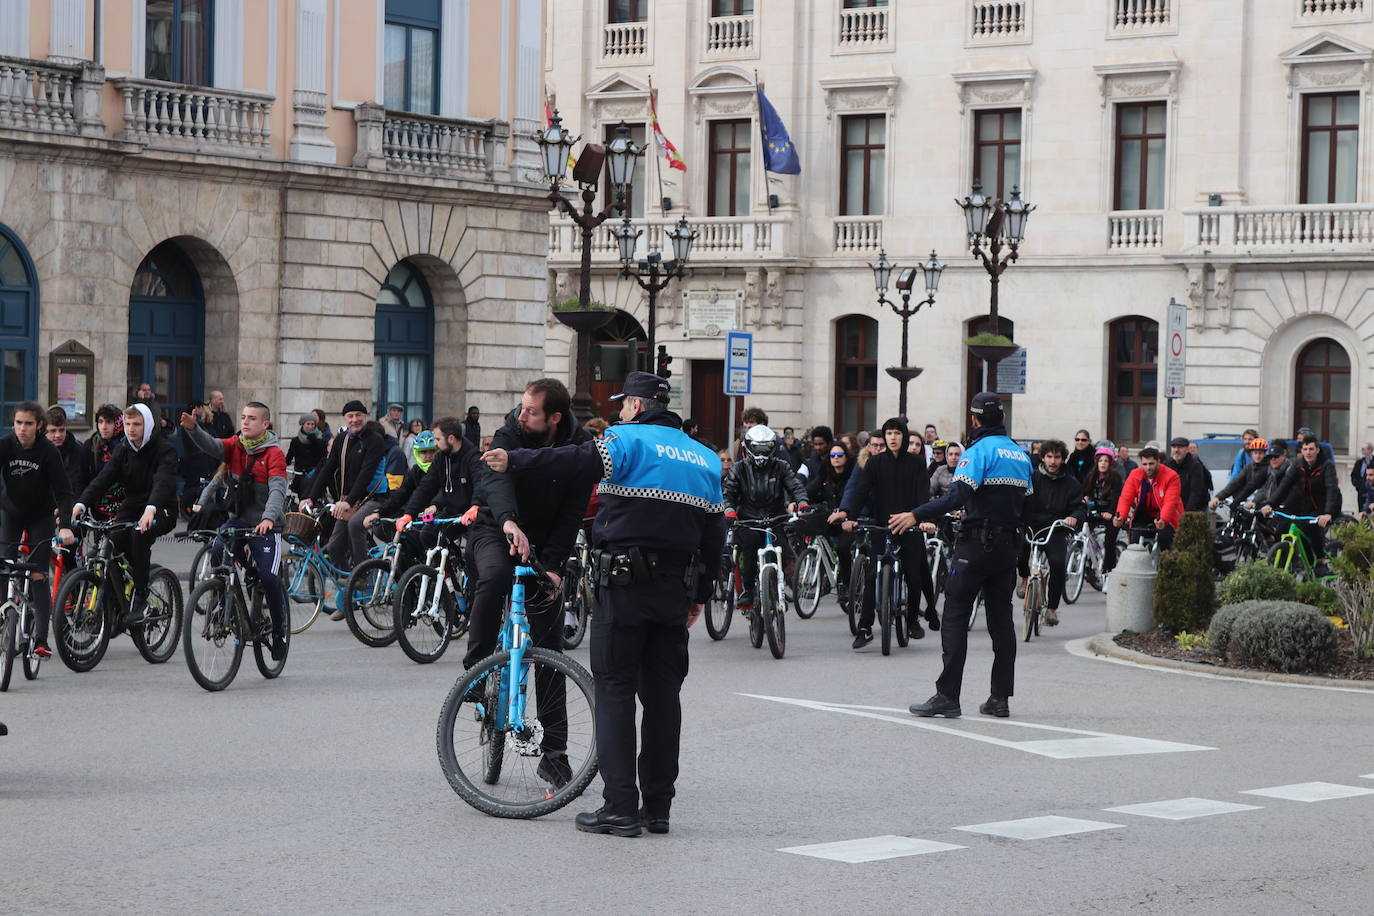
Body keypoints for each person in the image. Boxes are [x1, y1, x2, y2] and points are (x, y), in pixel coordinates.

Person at [480, 370, 724, 837]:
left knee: (614, 691)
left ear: (634, 406)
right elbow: (715, 537)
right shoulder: (705, 458)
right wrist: (700, 596)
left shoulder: (626, 441)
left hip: (625, 585)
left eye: (622, 404)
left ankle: (619, 808)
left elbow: (571, 462)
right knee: (662, 698)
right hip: (675, 588)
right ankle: (658, 808)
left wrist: (513, 459)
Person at [902, 393, 1032, 719]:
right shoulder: (1020, 454)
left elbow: (957, 495)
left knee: (955, 617)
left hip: (974, 547)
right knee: (1002, 623)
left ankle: (947, 696)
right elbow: (1027, 508)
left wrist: (916, 514)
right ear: (1002, 417)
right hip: (1007, 550)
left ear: (974, 420)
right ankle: (999, 698)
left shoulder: (976, 452)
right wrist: (1023, 559)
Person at [180, 402, 290, 660]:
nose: (245, 422)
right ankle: (222, 600)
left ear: (265, 424)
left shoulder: (274, 454)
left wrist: (268, 518)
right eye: (242, 417)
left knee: (270, 577)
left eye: (251, 418)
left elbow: (278, 490)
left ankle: (278, 630)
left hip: (266, 525)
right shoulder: (235, 445)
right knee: (218, 547)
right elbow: (213, 446)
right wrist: (194, 429)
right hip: (239, 521)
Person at [833, 417, 939, 646]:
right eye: (889, 434)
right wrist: (850, 517)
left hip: (911, 526)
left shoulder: (915, 463)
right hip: (882, 526)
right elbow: (861, 492)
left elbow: (923, 494)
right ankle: (865, 627)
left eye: (897, 433)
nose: (892, 438)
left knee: (913, 576)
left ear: (903, 436)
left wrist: (924, 519)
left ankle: (912, 621)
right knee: (872, 576)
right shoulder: (875, 463)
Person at [73, 404, 179, 626]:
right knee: (110, 540)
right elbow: (105, 478)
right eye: (129, 424)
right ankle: (117, 595)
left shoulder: (164, 449)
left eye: (137, 424)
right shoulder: (123, 448)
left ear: (147, 425)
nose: (132, 429)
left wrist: (151, 508)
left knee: (139, 536)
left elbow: (163, 482)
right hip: (133, 504)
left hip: (161, 506)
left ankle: (140, 596)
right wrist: (82, 502)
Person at [0, 402, 76, 659]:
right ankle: (3, 624)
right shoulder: (5, 445)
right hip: (10, 512)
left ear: (39, 425)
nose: (22, 429)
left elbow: (64, 492)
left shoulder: (48, 452)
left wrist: (65, 525)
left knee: (38, 574)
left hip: (41, 516)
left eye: (28, 424)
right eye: (19, 423)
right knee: (4, 566)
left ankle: (41, 640)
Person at [723, 424, 807, 609]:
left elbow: (795, 487)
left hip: (775, 517)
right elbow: (728, 494)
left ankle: (779, 582)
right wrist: (729, 510)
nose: (761, 452)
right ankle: (748, 590)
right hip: (748, 519)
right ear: (749, 448)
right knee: (750, 547)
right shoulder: (738, 468)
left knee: (783, 548)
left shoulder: (782, 466)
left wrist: (802, 503)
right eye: (757, 447)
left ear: (773, 447)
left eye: (765, 447)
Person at [300, 400, 388, 573]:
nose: (354, 419)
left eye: (358, 415)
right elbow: (327, 469)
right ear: (345, 419)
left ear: (365, 416)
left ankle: (362, 574)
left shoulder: (375, 440)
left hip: (374, 497)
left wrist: (349, 501)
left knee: (355, 524)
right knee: (334, 547)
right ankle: (348, 583)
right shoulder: (342, 439)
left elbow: (366, 474)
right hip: (349, 499)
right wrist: (311, 497)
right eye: (350, 416)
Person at [1016, 439, 1085, 626]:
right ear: (1043, 458)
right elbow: (1019, 498)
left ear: (1063, 459)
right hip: (1032, 525)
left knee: (1057, 563)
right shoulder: (1032, 478)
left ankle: (1052, 609)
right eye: (1049, 457)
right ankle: (1023, 578)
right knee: (1020, 552)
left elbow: (1079, 507)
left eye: (1057, 457)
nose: (1053, 461)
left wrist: (1074, 518)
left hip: (1056, 529)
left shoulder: (1071, 484)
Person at [1262, 434, 1341, 570]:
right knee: (1283, 526)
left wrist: (1328, 513)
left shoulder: (1327, 466)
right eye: (1305, 449)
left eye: (1311, 449)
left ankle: (1321, 561)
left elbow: (1331, 489)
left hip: (1325, 504)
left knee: (1310, 527)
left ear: (1317, 450)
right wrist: (1270, 504)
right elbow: (1284, 486)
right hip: (1303, 504)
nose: (1308, 453)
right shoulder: (1297, 464)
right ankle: (1292, 561)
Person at [395, 416, 480, 533]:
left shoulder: (473, 457)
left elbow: (480, 486)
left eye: (438, 439)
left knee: (473, 547)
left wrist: (475, 506)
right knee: (426, 535)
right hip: (450, 512)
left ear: (451, 439)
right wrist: (409, 514)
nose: (435, 443)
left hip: (473, 515)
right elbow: (425, 487)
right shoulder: (441, 457)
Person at [805, 441, 856, 596]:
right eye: (832, 455)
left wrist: (848, 515)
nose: (835, 458)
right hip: (831, 517)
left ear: (846, 457)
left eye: (839, 455)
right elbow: (812, 488)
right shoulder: (825, 472)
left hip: (848, 519)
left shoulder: (853, 474)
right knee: (814, 530)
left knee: (843, 548)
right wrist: (799, 501)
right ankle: (824, 577)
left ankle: (845, 584)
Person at [1113, 445, 1183, 551]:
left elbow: (1170, 502)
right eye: (1144, 464)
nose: (1148, 468)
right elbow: (1125, 498)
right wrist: (1120, 516)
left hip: (1166, 515)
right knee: (1134, 543)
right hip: (1144, 514)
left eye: (1151, 464)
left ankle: (1163, 564)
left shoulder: (1171, 476)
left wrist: (1163, 520)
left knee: (1165, 541)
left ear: (1158, 461)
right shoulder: (1135, 475)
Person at [1083, 447, 1123, 575]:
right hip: (1096, 511)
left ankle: (1108, 572)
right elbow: (1085, 492)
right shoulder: (1091, 475)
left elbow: (1117, 497)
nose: (1103, 463)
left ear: (1110, 463)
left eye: (1106, 461)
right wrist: (1085, 499)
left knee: (1109, 542)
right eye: (1100, 461)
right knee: (1083, 532)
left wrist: (1110, 513)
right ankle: (1087, 564)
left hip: (1111, 513)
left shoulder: (1115, 477)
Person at [1211, 438, 1271, 509]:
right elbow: (1236, 482)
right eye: (1255, 453)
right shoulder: (1249, 467)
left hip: (1263, 503)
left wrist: (1254, 501)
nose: (1257, 456)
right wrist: (1219, 497)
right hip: (1247, 501)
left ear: (1265, 454)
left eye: (1260, 453)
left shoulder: (1269, 468)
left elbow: (1265, 489)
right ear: (1251, 454)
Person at [45, 405, 87, 493]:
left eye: (61, 430)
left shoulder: (77, 450)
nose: (58, 435)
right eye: (53, 431)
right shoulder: (38, 450)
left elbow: (80, 482)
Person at [286, 414, 328, 497]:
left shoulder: (320, 440)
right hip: (299, 475)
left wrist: (315, 441)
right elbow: (289, 457)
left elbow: (324, 457)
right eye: (308, 424)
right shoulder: (295, 441)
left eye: (312, 424)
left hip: (314, 475)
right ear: (303, 424)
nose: (310, 427)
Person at [1166, 436, 1209, 512]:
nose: (1176, 450)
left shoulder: (1195, 465)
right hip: (1173, 508)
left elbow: (1195, 492)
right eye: (1174, 447)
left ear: (1187, 449)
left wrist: (1187, 513)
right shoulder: (1169, 464)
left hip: (1193, 509)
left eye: (1180, 447)